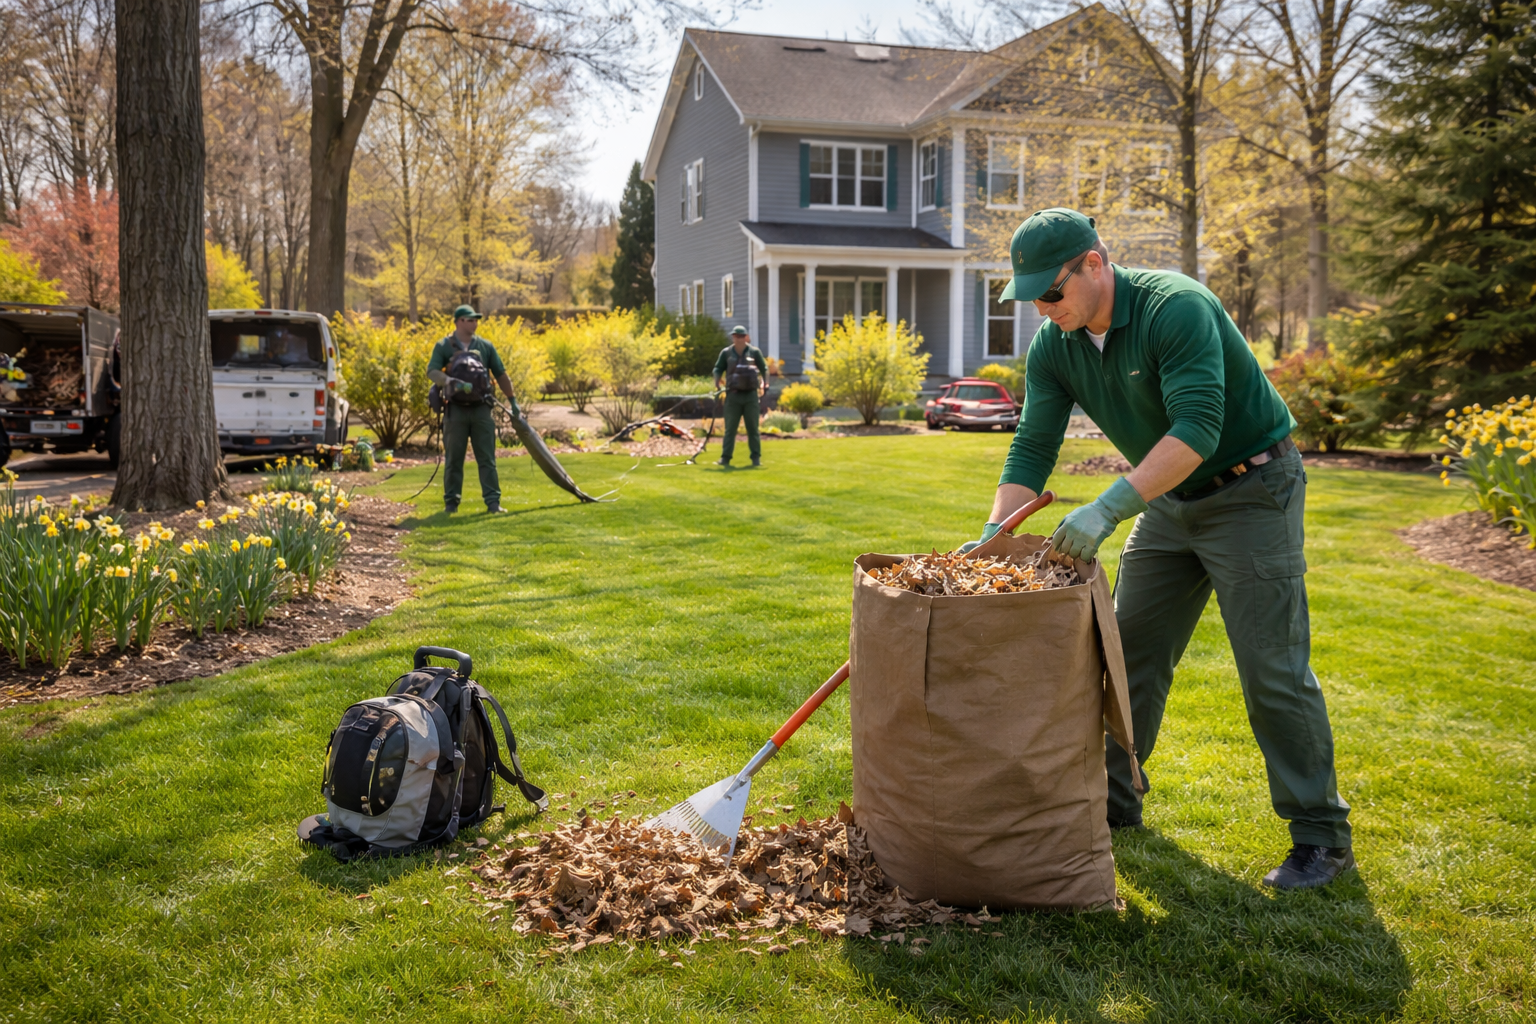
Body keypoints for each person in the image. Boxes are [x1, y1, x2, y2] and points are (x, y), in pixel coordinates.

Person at [964, 208, 1353, 889]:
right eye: (1029, 299)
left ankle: (1321, 835)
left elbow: (1199, 429)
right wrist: (999, 534)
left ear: (1094, 263)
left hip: (1252, 489)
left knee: (1272, 669)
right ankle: (1111, 806)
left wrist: (1108, 508)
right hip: (1170, 503)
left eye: (1049, 294)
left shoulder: (1175, 307)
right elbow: (1033, 444)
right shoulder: (1055, 347)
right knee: (1125, 657)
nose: (1041, 310)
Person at [426, 305, 521, 514]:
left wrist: (512, 400)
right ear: (459, 321)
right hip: (455, 411)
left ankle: (493, 503)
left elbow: (501, 374)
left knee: (487, 458)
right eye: (470, 319)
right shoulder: (443, 346)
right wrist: (451, 381)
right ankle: (451, 503)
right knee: (453, 459)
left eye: (476, 319)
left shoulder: (485, 346)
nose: (475, 323)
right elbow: (432, 372)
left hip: (481, 410)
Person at [712, 325, 769, 468]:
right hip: (733, 395)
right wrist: (717, 382)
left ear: (746, 337)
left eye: (741, 336)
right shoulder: (726, 353)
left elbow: (764, 369)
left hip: (750, 395)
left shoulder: (754, 352)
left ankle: (755, 458)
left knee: (753, 428)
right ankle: (725, 458)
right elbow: (718, 368)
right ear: (733, 337)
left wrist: (765, 383)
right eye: (735, 336)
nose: (738, 339)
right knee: (730, 429)